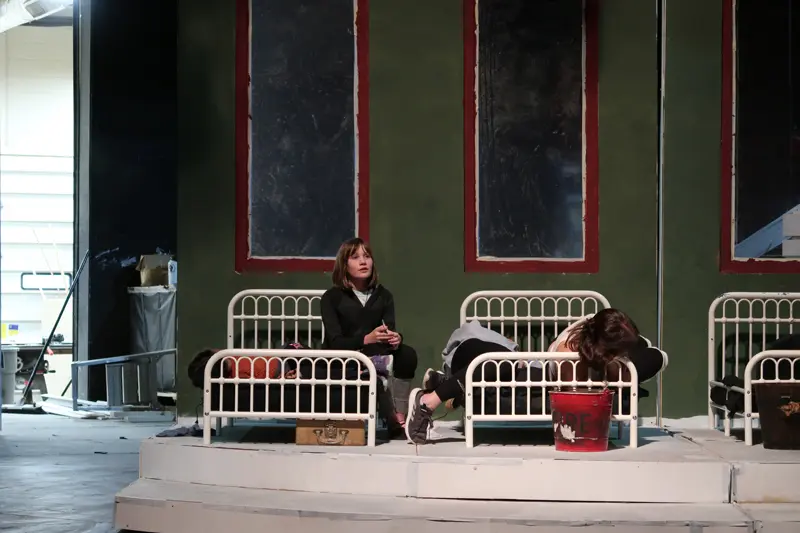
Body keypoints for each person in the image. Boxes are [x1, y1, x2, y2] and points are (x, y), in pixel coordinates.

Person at [406, 309, 667, 445]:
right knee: (503, 363)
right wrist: (614, 373)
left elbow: (657, 356)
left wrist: (617, 368)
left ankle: (447, 386)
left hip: (524, 366)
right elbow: (573, 398)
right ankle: (428, 400)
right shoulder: (569, 353)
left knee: (653, 355)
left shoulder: (605, 343)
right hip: (476, 357)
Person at [321, 237, 418, 434]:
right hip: (342, 356)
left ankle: (399, 415)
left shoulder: (384, 295)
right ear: (344, 264)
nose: (363, 262)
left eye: (367, 256)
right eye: (355, 257)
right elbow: (334, 341)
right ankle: (387, 414)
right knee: (368, 364)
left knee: (407, 354)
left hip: (375, 352)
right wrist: (366, 339)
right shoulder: (331, 298)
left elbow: (388, 329)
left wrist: (395, 338)